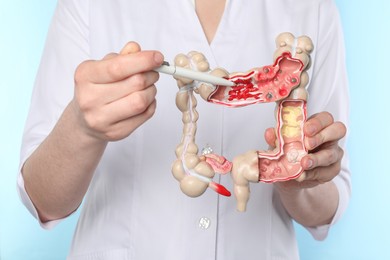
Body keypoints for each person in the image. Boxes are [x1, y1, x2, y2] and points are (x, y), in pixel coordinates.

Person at [18, 0, 350, 259]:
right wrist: (82, 127)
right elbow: (42, 200)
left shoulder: (313, 9)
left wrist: (296, 180)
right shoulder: (89, 5)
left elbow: (329, 207)